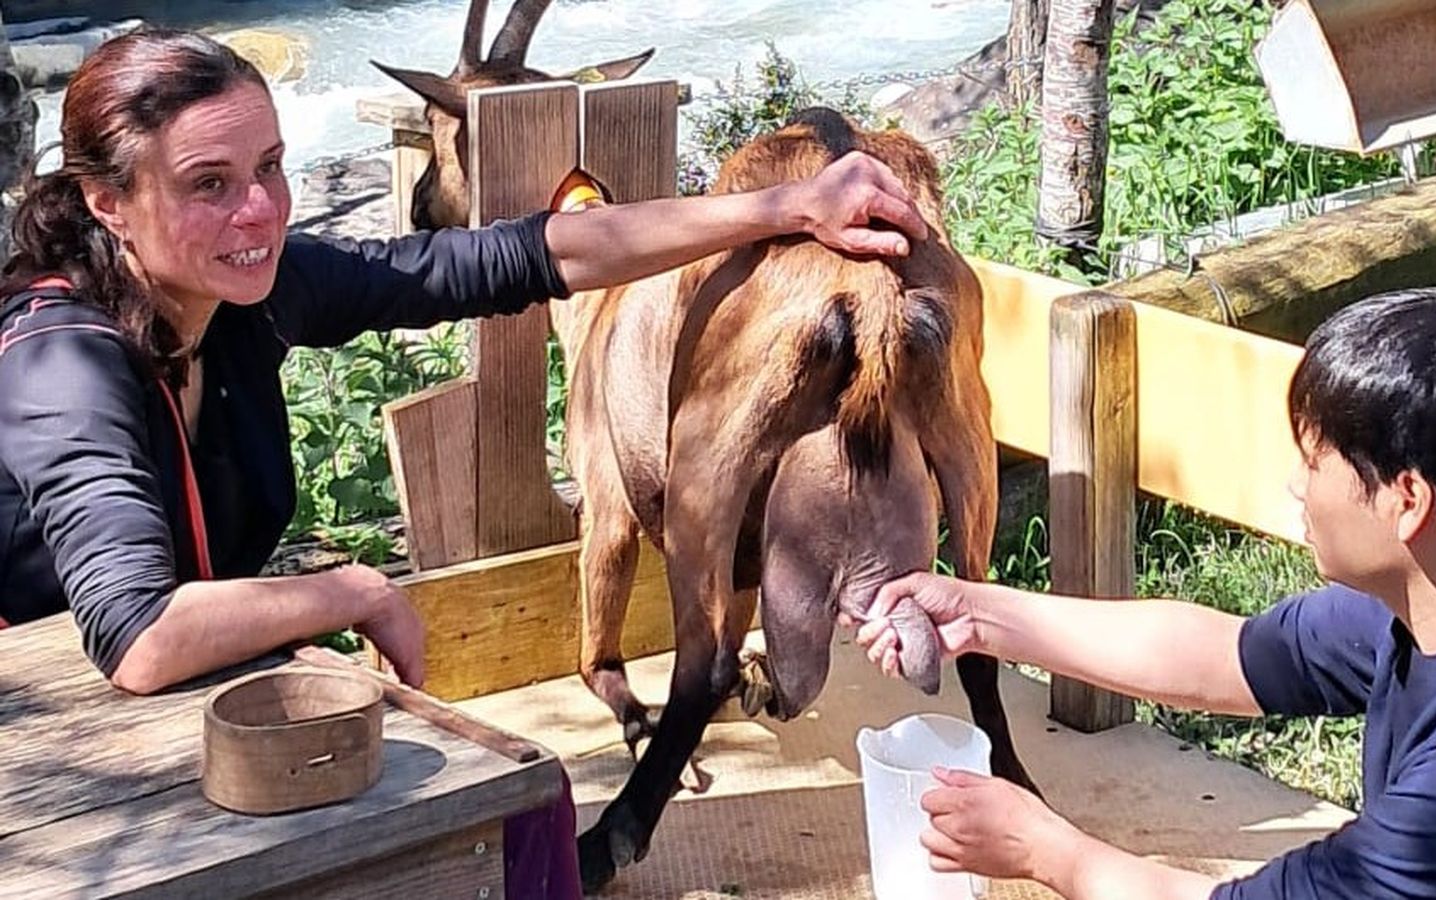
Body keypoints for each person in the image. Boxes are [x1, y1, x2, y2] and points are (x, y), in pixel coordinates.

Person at [0, 29, 926, 900]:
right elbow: (139, 633)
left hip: (179, 703)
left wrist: (783, 207)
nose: (260, 210)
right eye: (210, 183)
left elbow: (512, 258)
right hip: (52, 758)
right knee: (508, 830)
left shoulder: (242, 293)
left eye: (272, 168)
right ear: (106, 200)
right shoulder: (63, 364)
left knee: (528, 812)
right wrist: (355, 591)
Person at [849, 287, 1436, 898]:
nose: (1294, 485)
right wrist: (977, 613)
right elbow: (1228, 656)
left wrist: (1044, 849)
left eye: (1314, 461)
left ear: (1408, 500)